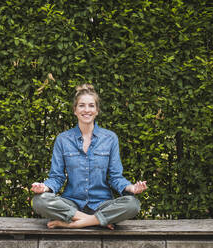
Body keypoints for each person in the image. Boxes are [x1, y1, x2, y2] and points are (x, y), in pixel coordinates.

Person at [31, 84, 147, 229]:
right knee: (39, 201)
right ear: (75, 110)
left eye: (91, 106)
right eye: (81, 105)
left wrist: (131, 188)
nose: (86, 110)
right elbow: (57, 177)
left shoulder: (110, 138)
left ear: (97, 110)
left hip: (102, 204)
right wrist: (45, 187)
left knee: (133, 204)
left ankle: (72, 224)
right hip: (71, 203)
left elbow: (116, 177)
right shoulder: (63, 139)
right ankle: (94, 220)